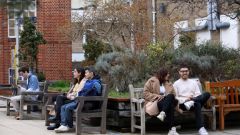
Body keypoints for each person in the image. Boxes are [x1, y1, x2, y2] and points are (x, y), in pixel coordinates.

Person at [54, 66, 102, 133]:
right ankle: (64, 125)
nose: (85, 74)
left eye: (86, 73)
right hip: (81, 100)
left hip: (89, 103)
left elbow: (98, 92)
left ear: (91, 73)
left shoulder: (95, 82)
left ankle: (68, 126)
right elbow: (83, 92)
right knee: (63, 107)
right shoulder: (89, 81)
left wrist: (93, 86)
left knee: (67, 107)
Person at [173, 64, 210, 135]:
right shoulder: (176, 84)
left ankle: (192, 102)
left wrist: (192, 99)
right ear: (179, 72)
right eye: (182, 71)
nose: (184, 73)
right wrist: (186, 99)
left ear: (188, 72)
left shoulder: (193, 82)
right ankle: (201, 128)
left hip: (193, 101)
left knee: (207, 94)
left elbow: (198, 94)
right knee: (198, 104)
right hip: (183, 105)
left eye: (186, 71)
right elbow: (175, 98)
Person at [144, 68, 179, 135]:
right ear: (162, 74)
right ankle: (172, 130)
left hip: (168, 100)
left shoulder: (168, 83)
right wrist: (158, 96)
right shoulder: (151, 81)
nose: (168, 75)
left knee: (170, 96)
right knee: (170, 106)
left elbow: (174, 95)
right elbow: (145, 93)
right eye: (167, 74)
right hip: (157, 102)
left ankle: (162, 113)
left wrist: (166, 96)